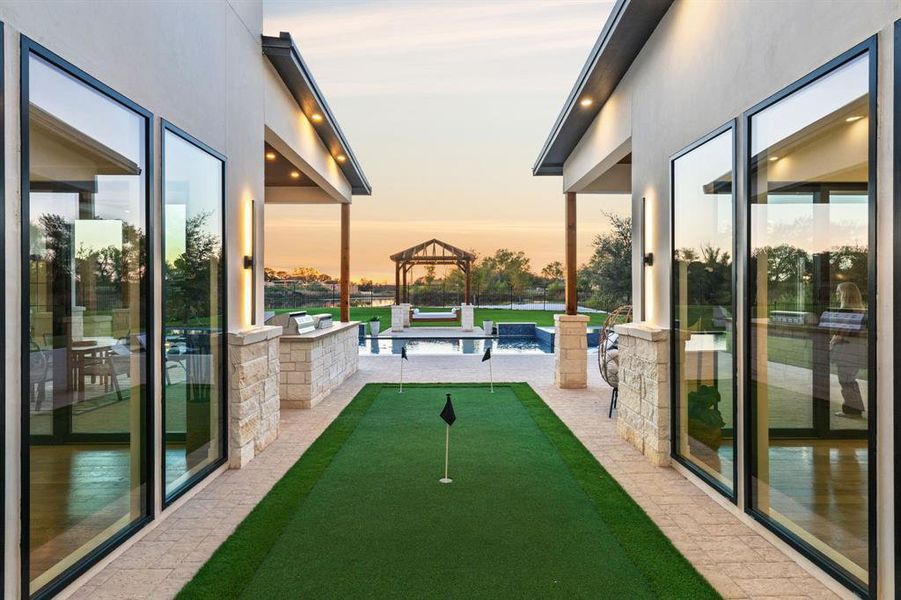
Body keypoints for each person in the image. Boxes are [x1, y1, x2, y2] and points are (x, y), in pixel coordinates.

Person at [830, 282, 866, 418]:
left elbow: (842, 332)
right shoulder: (860, 311)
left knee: (845, 380)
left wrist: (832, 343)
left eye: (838, 292)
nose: (836, 294)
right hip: (856, 349)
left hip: (846, 350)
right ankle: (854, 409)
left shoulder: (845, 311)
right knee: (850, 379)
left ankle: (852, 411)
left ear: (845, 294)